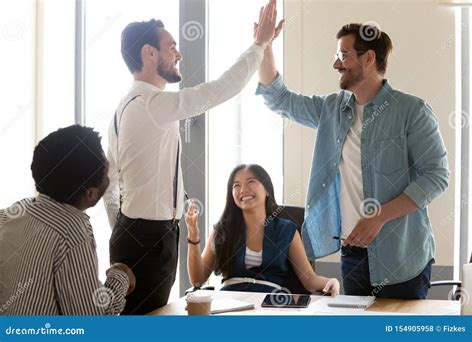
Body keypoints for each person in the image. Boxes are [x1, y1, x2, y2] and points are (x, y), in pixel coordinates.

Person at [104, 1, 279, 315]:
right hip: (149, 238)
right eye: (171, 47)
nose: (178, 54)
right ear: (149, 53)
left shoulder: (126, 105)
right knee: (147, 321)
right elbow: (219, 90)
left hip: (141, 234)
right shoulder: (150, 103)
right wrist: (259, 44)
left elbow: (108, 183)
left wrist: (122, 228)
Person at [256, 23, 450, 299]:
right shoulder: (331, 109)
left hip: (402, 258)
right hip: (352, 255)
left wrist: (379, 217)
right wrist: (264, 46)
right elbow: (279, 99)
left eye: (344, 55)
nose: (336, 63)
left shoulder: (412, 111)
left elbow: (436, 175)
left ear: (368, 58)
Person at [0, 125, 135, 315]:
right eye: (106, 172)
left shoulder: (11, 213)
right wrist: (120, 277)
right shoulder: (72, 233)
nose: (110, 174)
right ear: (90, 193)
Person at [185, 164, 340, 296]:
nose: (243, 189)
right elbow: (198, 280)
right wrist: (193, 236)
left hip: (270, 302)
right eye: (236, 185)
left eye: (250, 182)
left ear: (267, 189)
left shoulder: (286, 230)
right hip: (229, 302)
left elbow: (309, 280)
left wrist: (331, 281)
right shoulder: (223, 229)